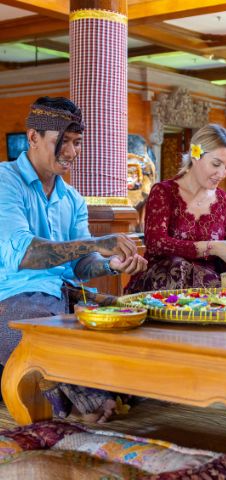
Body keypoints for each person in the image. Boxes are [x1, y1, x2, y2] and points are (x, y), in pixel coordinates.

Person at [0, 96, 148, 422]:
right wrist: (94, 242)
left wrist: (111, 264)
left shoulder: (73, 199)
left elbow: (82, 266)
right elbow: (24, 253)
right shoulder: (4, 180)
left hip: (65, 294)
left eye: (77, 142)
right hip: (12, 297)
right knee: (45, 322)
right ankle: (86, 402)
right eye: (62, 142)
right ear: (33, 137)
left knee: (134, 314)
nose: (71, 152)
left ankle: (105, 395)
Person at [126, 124, 226, 293]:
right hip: (161, 290)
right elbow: (156, 243)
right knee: (177, 266)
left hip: (207, 294)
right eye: (216, 164)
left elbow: (225, 265)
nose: (223, 173)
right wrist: (213, 247)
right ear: (195, 156)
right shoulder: (163, 192)